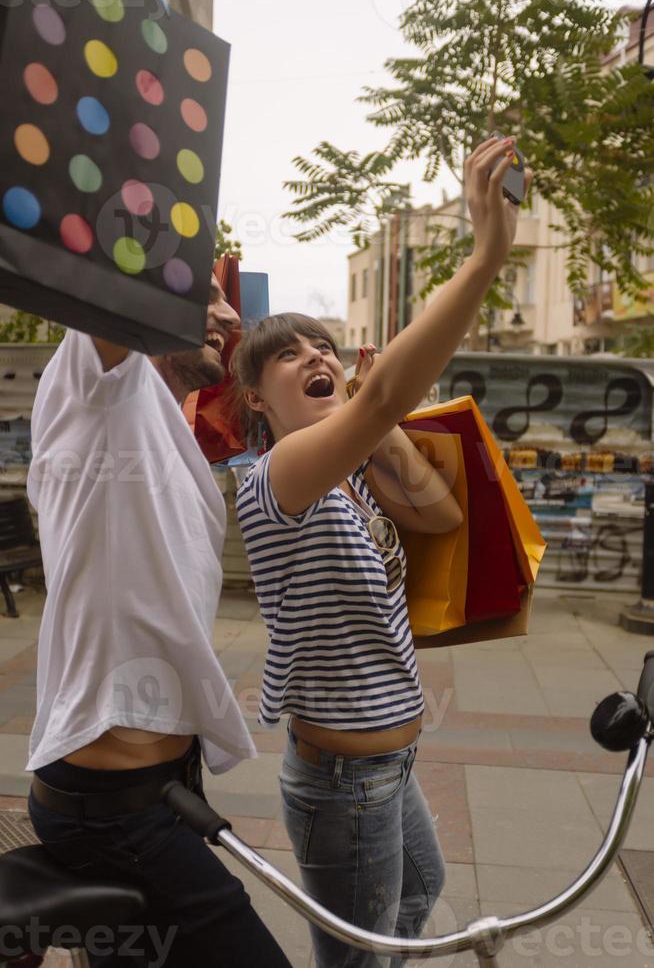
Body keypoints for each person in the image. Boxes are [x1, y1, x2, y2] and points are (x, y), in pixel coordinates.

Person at [233, 137, 531, 968]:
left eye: (320, 345)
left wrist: (380, 426)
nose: (315, 356)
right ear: (257, 399)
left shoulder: (351, 475)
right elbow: (391, 389)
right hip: (345, 784)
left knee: (415, 899)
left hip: (393, 763)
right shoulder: (277, 476)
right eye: (287, 354)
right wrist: (485, 257)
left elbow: (438, 517)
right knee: (360, 956)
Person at [24, 272, 292, 968]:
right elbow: (111, 274)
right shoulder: (99, 386)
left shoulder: (164, 423)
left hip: (160, 787)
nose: (228, 313)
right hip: (115, 809)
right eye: (201, 292)